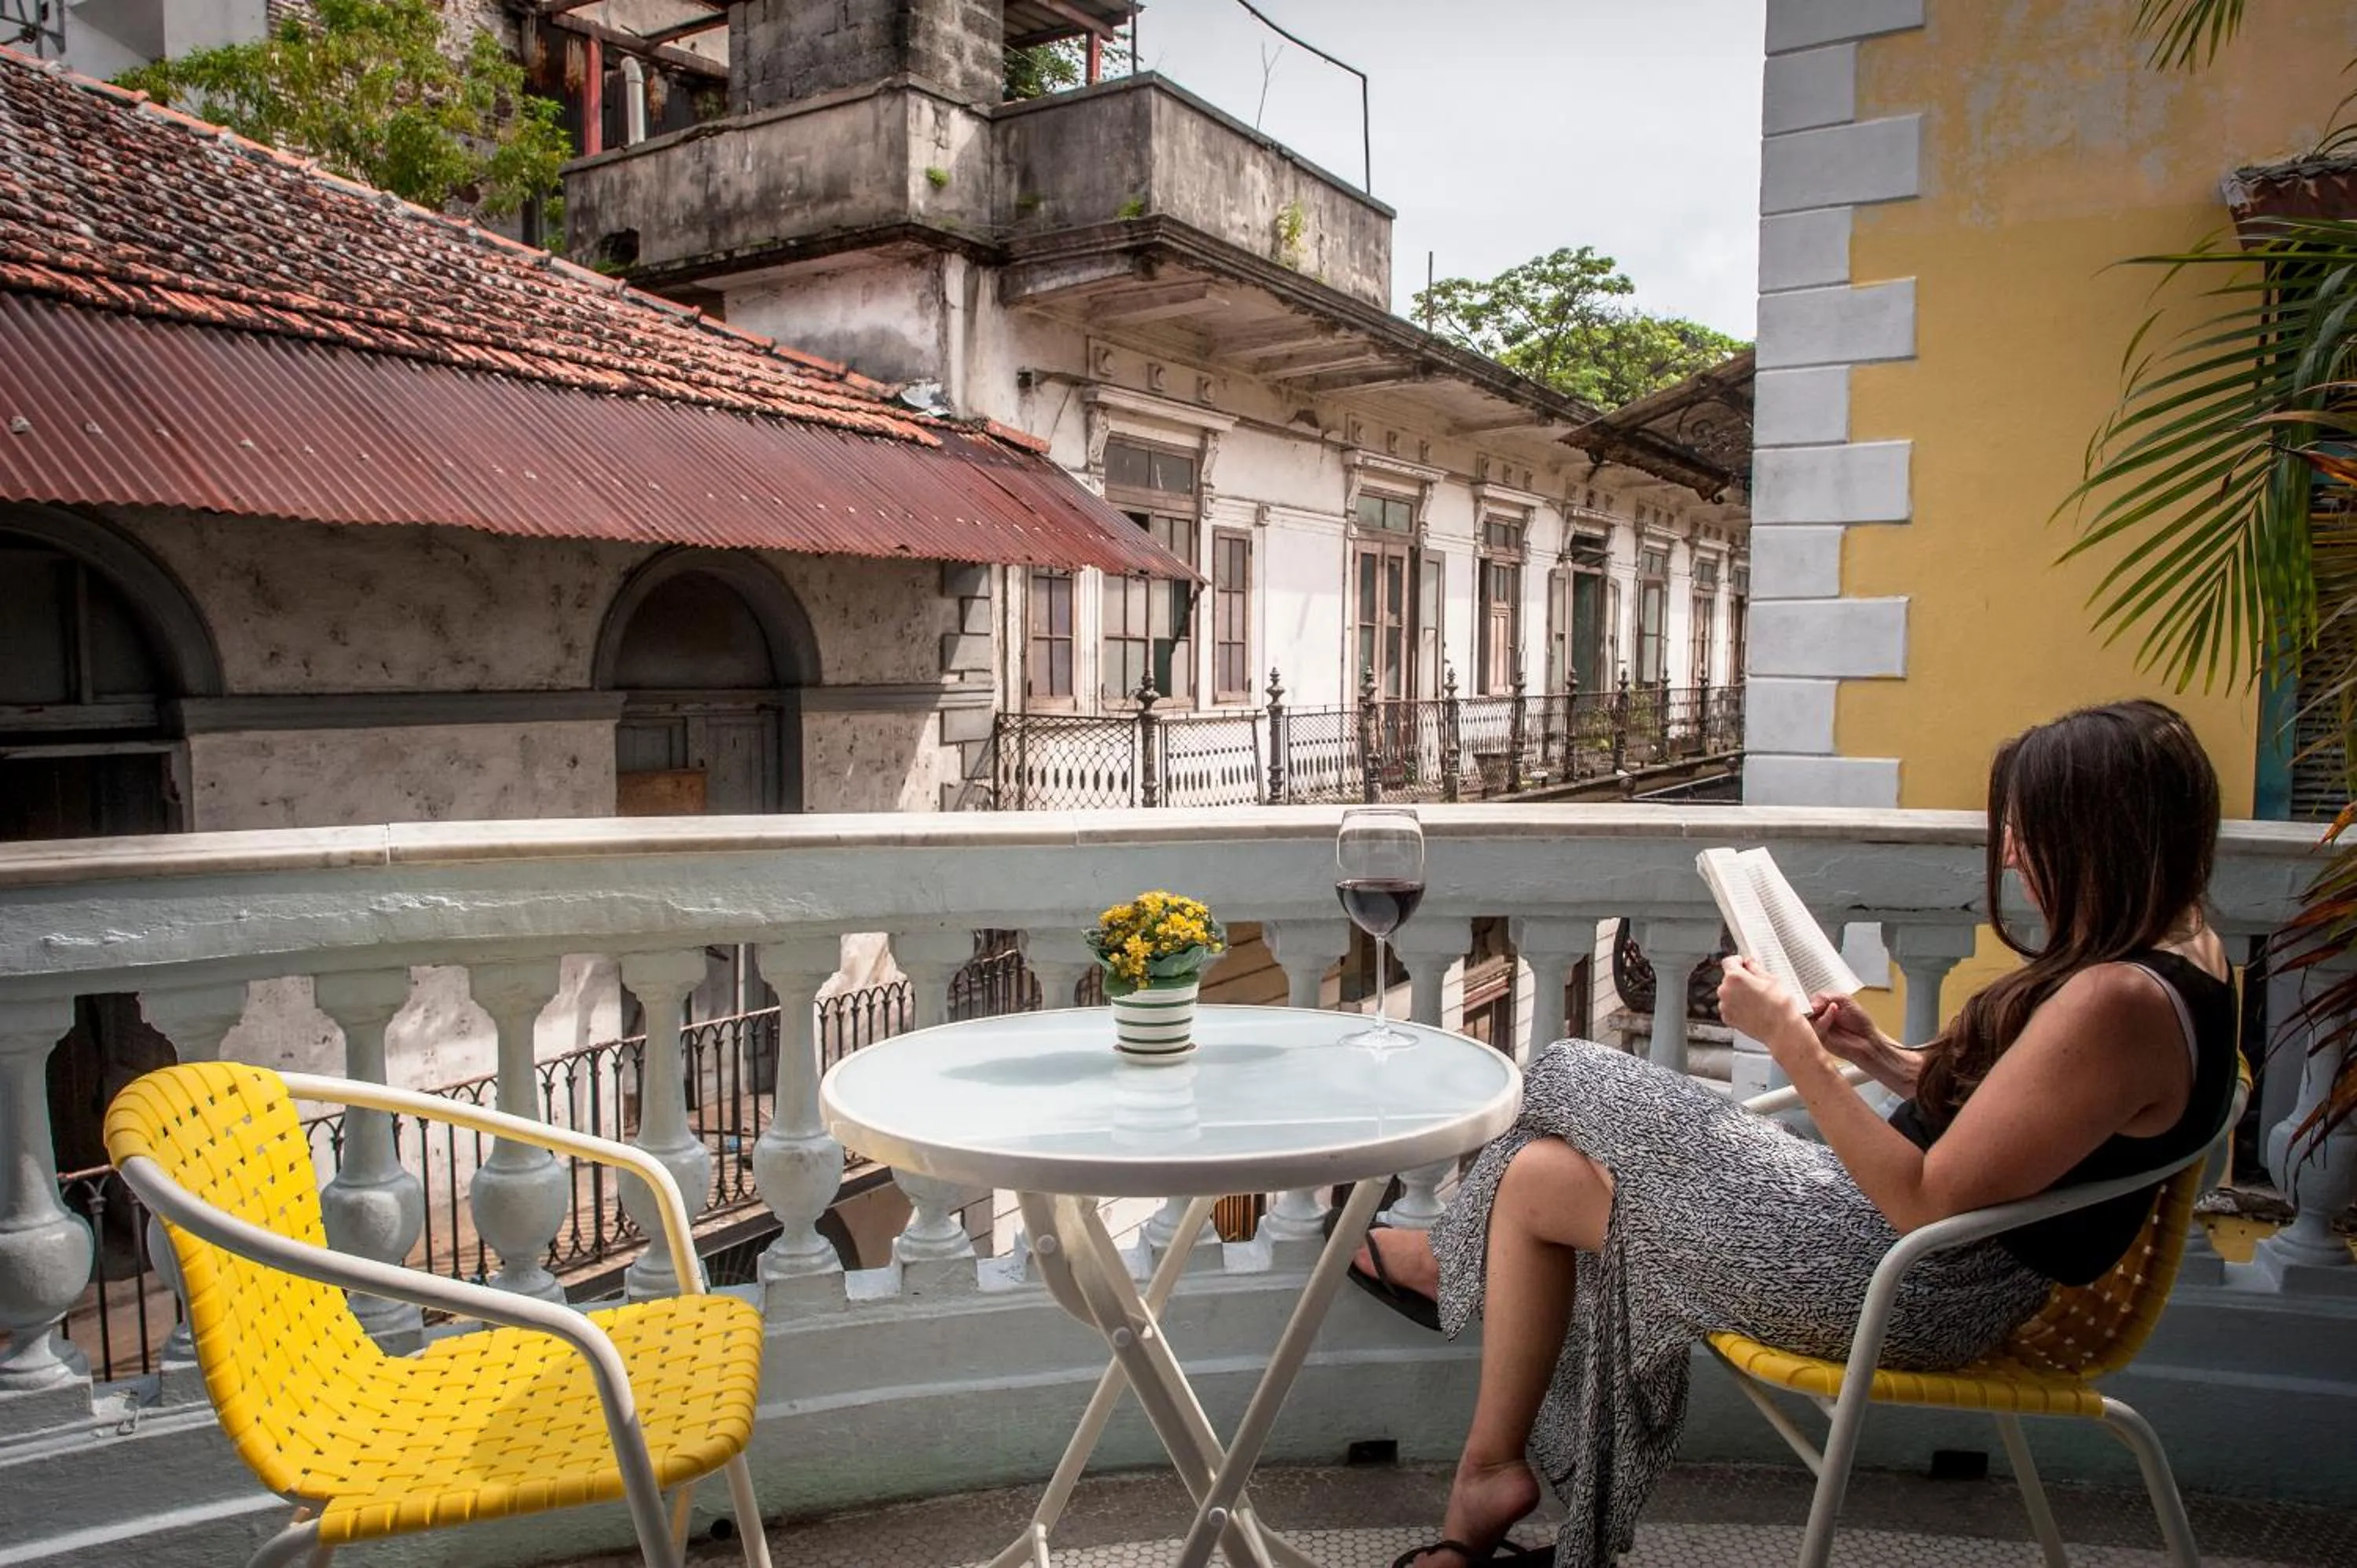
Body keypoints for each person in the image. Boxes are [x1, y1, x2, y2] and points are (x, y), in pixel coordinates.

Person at [1354, 700, 2242, 1568]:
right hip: (1912, 1254)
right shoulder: (2187, 956)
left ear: (2109, 834)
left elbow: (1922, 1198)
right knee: (1536, 1176)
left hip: (1900, 1282)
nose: (2011, 852)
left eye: (2033, 828)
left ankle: (1446, 1263)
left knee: (1562, 1072)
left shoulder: (2118, 1000)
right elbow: (2025, 1131)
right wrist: (1883, 1057)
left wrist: (1788, 1042)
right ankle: (1489, 1475)